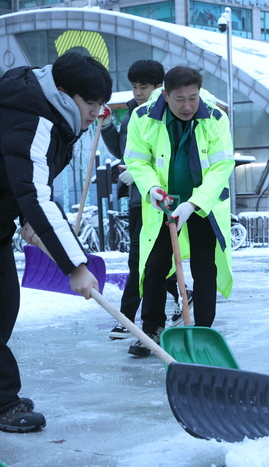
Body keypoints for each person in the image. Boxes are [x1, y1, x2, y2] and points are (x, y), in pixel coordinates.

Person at [0, 52, 112, 432]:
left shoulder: (43, 109)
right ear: (65, 93)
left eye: (101, 104)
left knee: (3, 306)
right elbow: (35, 192)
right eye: (92, 103)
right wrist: (75, 267)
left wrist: (24, 219)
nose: (97, 112)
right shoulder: (33, 117)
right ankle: (2, 402)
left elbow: (22, 184)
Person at [123, 66, 234, 357]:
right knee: (155, 265)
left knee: (204, 266)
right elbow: (137, 161)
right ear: (165, 95)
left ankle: (204, 330)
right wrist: (151, 190)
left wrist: (193, 204)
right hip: (164, 204)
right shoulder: (142, 118)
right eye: (179, 99)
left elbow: (222, 166)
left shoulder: (215, 118)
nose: (187, 106)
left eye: (193, 98)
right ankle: (152, 329)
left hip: (202, 205)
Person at [101, 60, 192, 340]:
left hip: (157, 200)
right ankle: (181, 294)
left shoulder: (162, 114)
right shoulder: (133, 114)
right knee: (148, 262)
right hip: (138, 199)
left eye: (144, 87)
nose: (138, 92)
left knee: (143, 261)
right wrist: (106, 126)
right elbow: (123, 150)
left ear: (160, 89)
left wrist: (143, 176)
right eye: (134, 87)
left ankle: (129, 318)